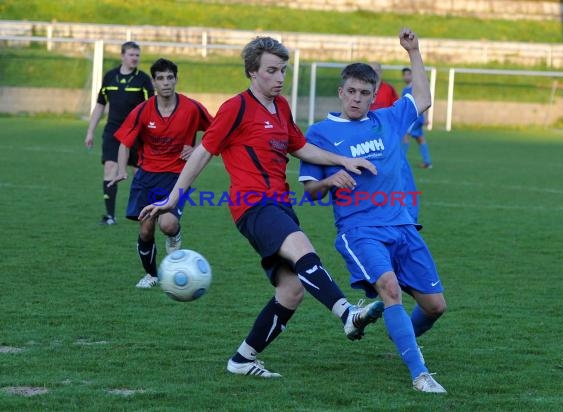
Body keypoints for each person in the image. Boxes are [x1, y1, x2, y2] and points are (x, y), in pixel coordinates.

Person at [139, 37, 384, 377]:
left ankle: (242, 359)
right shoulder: (235, 107)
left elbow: (302, 148)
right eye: (271, 70)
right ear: (253, 72)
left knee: (292, 290)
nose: (279, 77)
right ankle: (347, 314)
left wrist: (344, 160)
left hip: (279, 203)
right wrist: (174, 196)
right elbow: (203, 151)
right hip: (251, 203)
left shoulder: (281, 107)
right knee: (302, 247)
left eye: (283, 69)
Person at [298, 29, 447, 393]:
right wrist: (331, 180)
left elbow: (424, 97)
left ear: (373, 96)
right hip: (360, 230)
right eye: (351, 91)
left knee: (434, 306)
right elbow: (310, 192)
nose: (357, 99)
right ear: (341, 92)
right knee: (389, 287)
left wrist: (414, 50)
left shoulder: (388, 119)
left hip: (403, 226)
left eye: (365, 93)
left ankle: (398, 335)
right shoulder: (320, 133)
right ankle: (419, 374)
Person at [109, 58, 213, 289]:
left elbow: (216, 130)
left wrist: (196, 149)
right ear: (154, 82)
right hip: (146, 176)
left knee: (167, 224)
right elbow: (125, 143)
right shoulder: (142, 111)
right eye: (161, 78)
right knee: (146, 229)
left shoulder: (192, 108)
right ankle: (152, 275)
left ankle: (174, 236)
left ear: (176, 79)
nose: (166, 82)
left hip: (177, 176)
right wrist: (121, 169)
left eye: (170, 77)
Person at [84, 41, 154, 226]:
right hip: (113, 132)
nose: (135, 58)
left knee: (139, 172)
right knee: (110, 168)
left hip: (138, 133)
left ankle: (146, 212)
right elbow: (100, 104)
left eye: (137, 55)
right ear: (122, 56)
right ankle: (110, 216)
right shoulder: (110, 77)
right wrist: (90, 131)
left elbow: (152, 107)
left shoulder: (144, 80)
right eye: (131, 55)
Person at [401, 67, 433, 168]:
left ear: (412, 76)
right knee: (420, 139)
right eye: (404, 75)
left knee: (405, 136)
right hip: (413, 118)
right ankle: (427, 161)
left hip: (415, 118)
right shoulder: (405, 90)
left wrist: (426, 117)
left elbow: (423, 102)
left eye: (408, 74)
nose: (406, 76)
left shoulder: (415, 89)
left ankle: (400, 161)